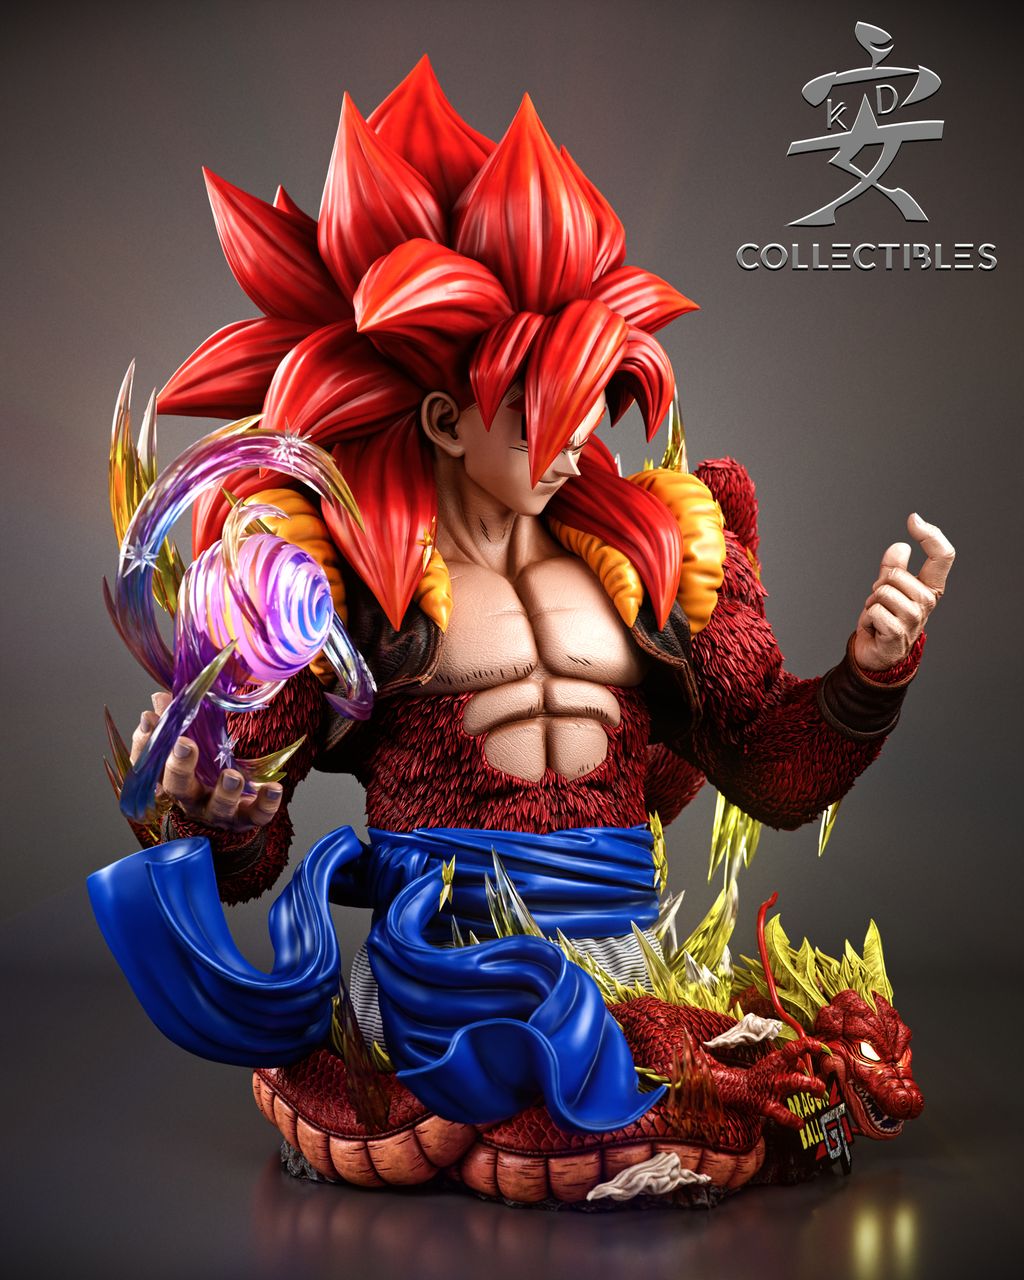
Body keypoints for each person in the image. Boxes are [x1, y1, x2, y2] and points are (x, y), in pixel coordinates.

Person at [116, 57, 952, 1192]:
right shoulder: (340, 580)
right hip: (440, 981)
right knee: (563, 1118)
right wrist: (210, 809)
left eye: (590, 402)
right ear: (444, 417)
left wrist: (866, 675)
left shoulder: (658, 549)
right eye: (536, 414)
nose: (570, 446)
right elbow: (248, 846)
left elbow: (772, 771)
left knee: (773, 1091)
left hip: (634, 966)